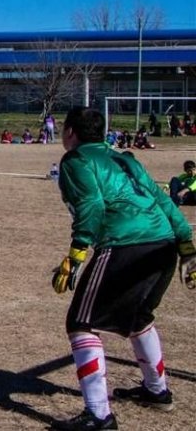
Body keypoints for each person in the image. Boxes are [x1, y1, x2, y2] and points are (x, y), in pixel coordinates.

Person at [49, 107, 195, 430]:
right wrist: (186, 244)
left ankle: (99, 415)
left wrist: (75, 255)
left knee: (81, 323)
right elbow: (160, 197)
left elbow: (92, 205)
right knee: (138, 318)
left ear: (70, 132)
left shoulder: (76, 161)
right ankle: (157, 392)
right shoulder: (126, 158)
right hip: (163, 244)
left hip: (125, 244)